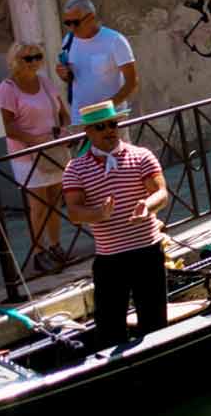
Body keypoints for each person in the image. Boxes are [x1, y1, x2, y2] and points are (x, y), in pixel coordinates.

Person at [62, 100, 169, 347]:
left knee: (155, 324)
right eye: (100, 127)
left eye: (112, 124)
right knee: (110, 330)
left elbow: (160, 192)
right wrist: (98, 214)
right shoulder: (75, 169)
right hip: (110, 259)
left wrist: (147, 206)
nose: (109, 130)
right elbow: (74, 212)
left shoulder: (141, 156)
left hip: (147, 252)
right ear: (87, 132)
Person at [0, 41, 70, 274]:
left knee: (54, 200)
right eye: (27, 58)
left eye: (37, 57)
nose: (33, 62)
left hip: (53, 149)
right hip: (27, 155)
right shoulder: (8, 88)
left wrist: (64, 130)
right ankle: (39, 252)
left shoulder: (46, 82)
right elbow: (6, 125)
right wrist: (32, 140)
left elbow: (62, 114)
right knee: (38, 205)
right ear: (15, 61)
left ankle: (56, 245)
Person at [56, 0, 138, 126]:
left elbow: (132, 82)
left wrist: (106, 108)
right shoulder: (68, 40)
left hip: (111, 119)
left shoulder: (115, 40)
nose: (71, 28)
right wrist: (64, 75)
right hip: (81, 119)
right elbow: (74, 78)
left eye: (75, 22)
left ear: (91, 17)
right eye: (67, 23)